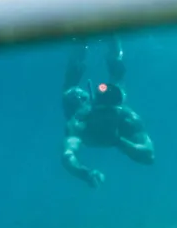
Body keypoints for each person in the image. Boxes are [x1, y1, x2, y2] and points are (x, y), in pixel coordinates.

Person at [61, 37, 154, 186]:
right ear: (94, 109)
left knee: (115, 82)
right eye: (104, 112)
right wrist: (86, 174)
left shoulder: (127, 118)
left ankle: (111, 36)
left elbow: (149, 156)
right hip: (79, 105)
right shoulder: (80, 121)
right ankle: (84, 43)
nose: (108, 117)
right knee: (72, 90)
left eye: (112, 110)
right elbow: (68, 156)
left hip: (94, 112)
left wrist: (119, 141)